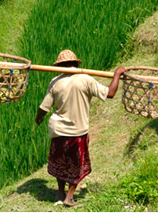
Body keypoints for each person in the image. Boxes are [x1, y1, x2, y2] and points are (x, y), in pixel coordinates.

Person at [35, 49, 126, 207]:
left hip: (58, 130)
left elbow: (44, 108)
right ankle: (69, 197)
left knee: (60, 161)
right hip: (77, 131)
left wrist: (39, 118)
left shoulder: (55, 81)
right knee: (76, 165)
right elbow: (110, 93)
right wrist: (117, 74)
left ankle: (60, 192)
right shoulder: (85, 79)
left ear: (60, 65)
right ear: (75, 63)